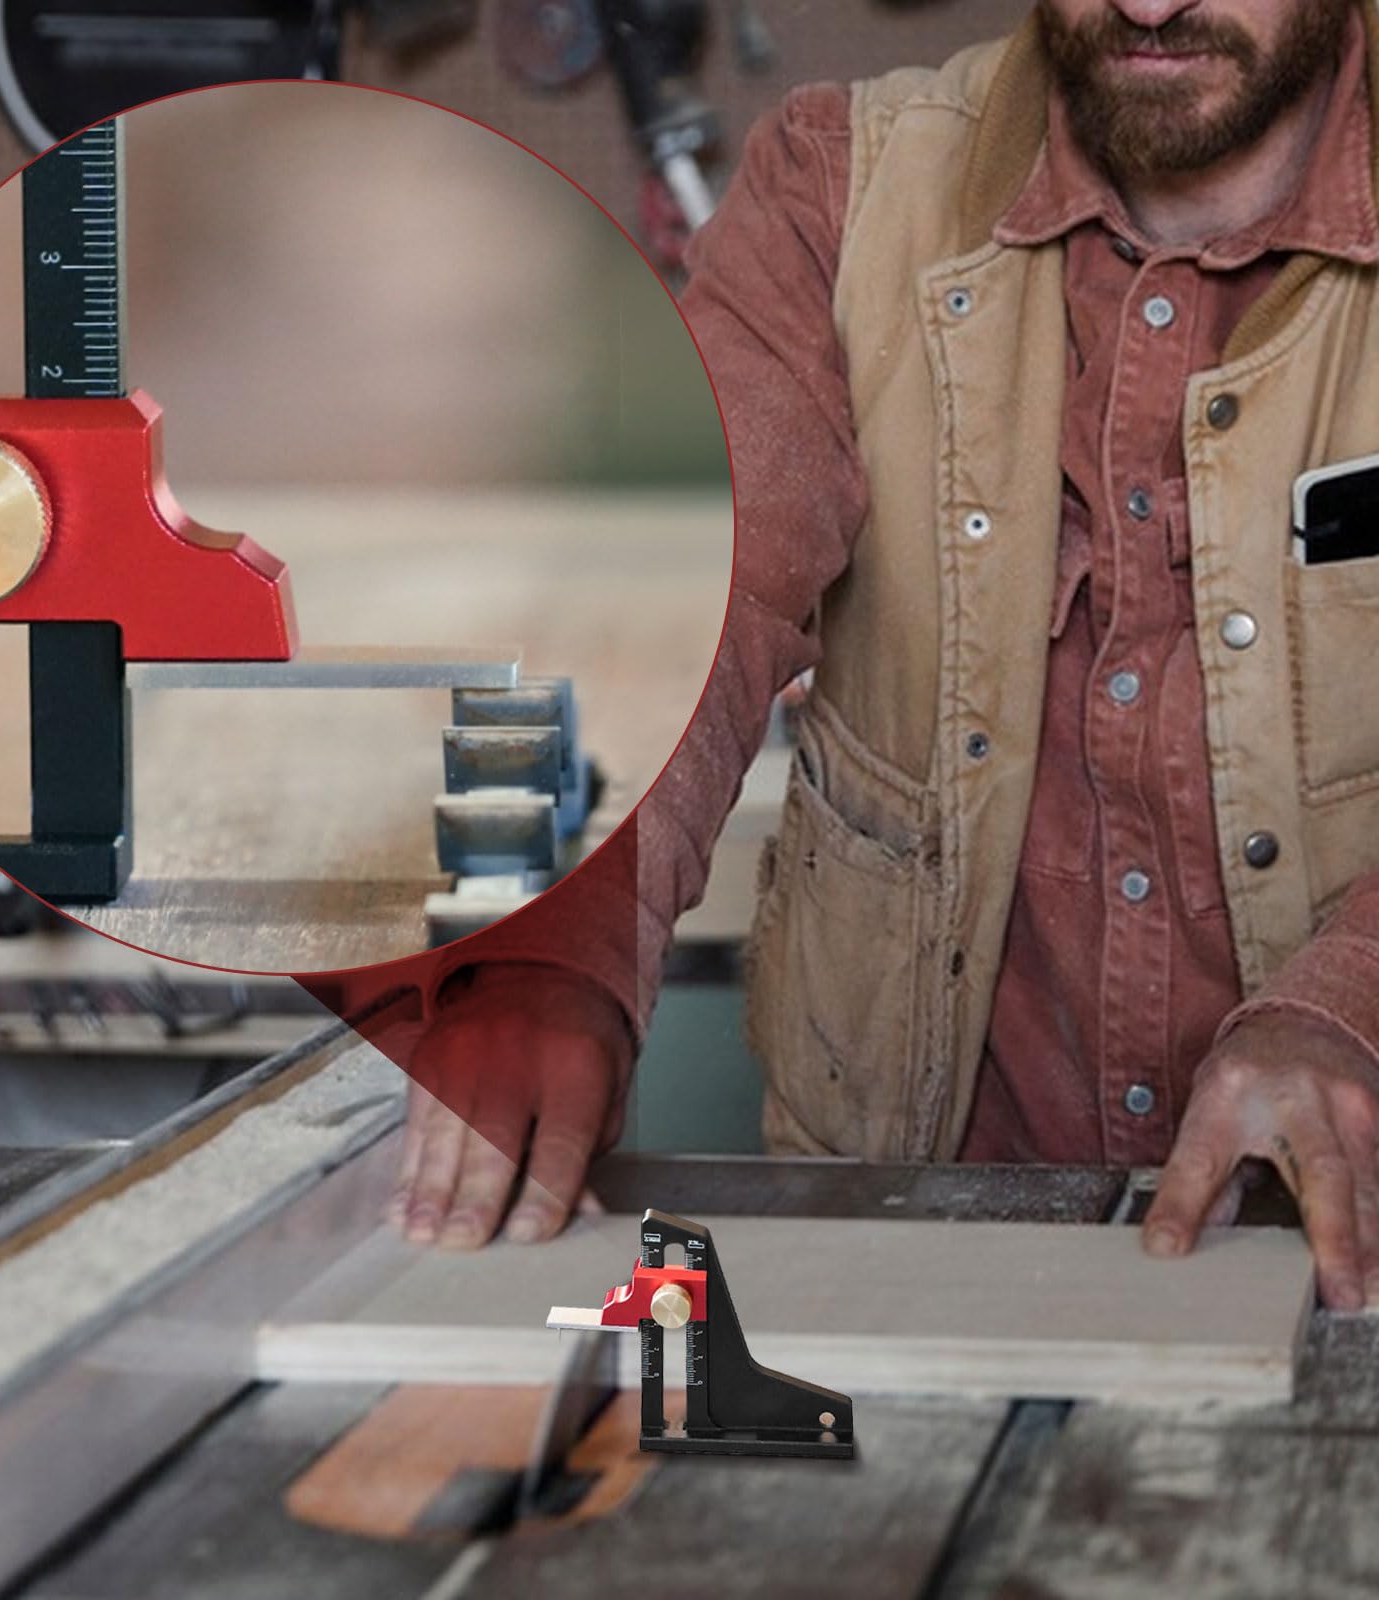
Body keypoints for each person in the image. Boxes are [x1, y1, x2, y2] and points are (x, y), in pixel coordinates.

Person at [390, 0, 1379, 1314]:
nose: (1147, 4)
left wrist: (1350, 1009)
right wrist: (545, 952)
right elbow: (683, 601)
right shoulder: (842, 189)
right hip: (920, 1243)